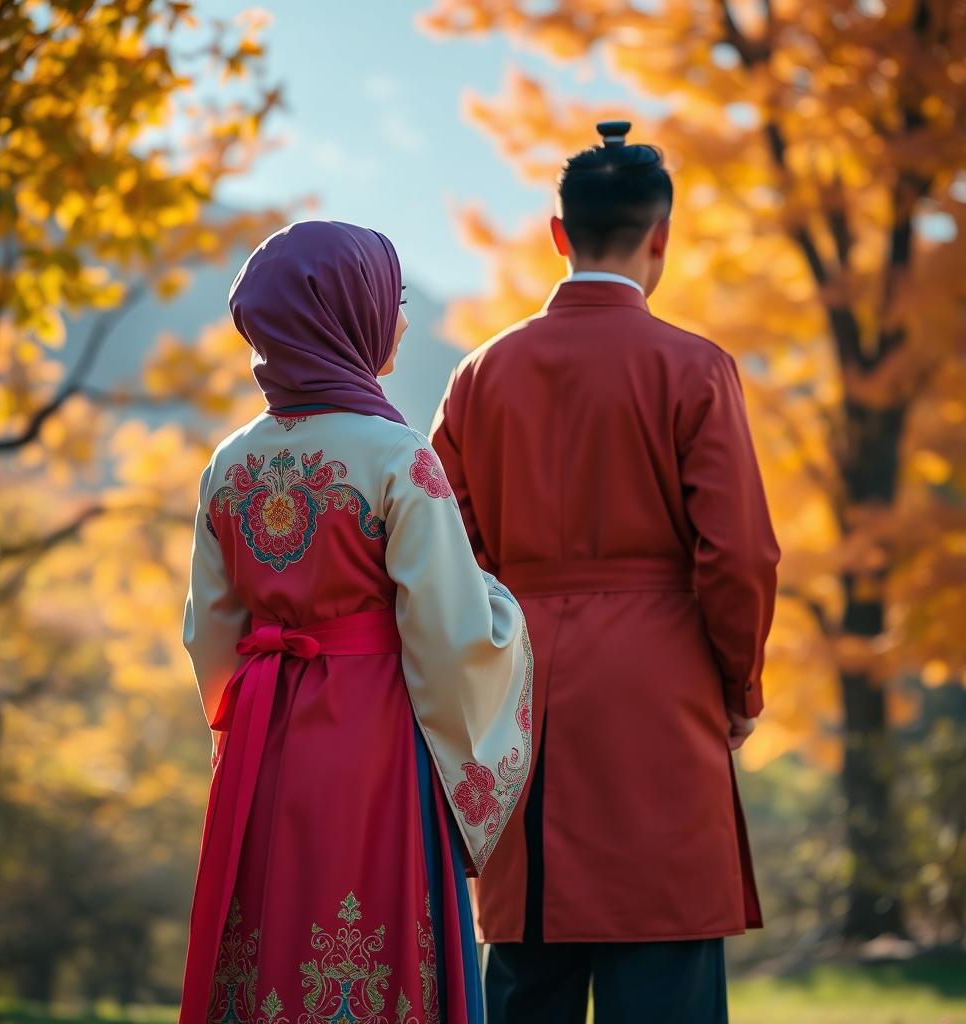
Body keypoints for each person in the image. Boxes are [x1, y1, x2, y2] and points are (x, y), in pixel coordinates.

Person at [430, 122, 780, 1024]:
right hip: (659, 700)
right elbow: (738, 554)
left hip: (521, 703)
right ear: (661, 236)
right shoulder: (696, 369)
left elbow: (441, 557)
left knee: (528, 972)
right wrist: (738, 684)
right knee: (661, 965)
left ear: (558, 235)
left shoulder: (481, 375)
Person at [177, 220, 533, 1024]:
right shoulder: (399, 456)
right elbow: (452, 636)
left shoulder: (229, 463)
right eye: (393, 299)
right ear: (350, 312)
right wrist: (504, 608)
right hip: (376, 737)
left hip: (264, 738)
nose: (401, 319)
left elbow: (209, 637)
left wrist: (247, 725)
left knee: (270, 929)